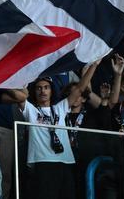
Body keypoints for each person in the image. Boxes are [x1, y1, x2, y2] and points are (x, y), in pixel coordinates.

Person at [18, 60, 99, 199]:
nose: (43, 91)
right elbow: (19, 95)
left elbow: (80, 89)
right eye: (39, 88)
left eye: (46, 87)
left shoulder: (60, 107)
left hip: (65, 161)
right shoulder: (30, 110)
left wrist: (94, 65)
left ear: (51, 90)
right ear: (34, 92)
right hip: (42, 161)